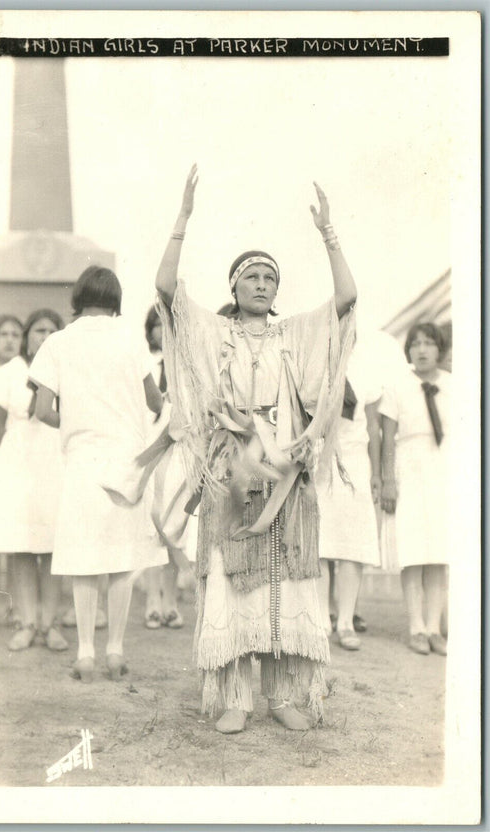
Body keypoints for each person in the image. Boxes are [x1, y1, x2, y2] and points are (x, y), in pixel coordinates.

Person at [154, 165, 357, 733]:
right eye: (252, 277)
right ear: (234, 288)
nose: (263, 284)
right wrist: (183, 219)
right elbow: (167, 291)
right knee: (232, 572)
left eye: (270, 277)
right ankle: (238, 695)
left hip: (286, 467)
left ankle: (285, 694)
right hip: (231, 473)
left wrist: (329, 234)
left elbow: (346, 299)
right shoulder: (216, 335)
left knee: (287, 574)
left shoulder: (294, 334)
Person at [30, 266, 166, 683]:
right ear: (116, 301)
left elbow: (41, 410)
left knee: (84, 558)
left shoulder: (57, 342)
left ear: (79, 298)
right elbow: (156, 401)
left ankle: (85, 653)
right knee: (122, 560)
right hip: (127, 459)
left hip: (83, 461)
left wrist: (75, 425)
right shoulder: (129, 341)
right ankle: (116, 651)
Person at [0, 309, 68, 651]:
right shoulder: (11, 372)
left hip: (55, 460)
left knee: (51, 546)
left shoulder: (67, 372)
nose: (45, 336)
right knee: (22, 545)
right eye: (38, 330)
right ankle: (26, 621)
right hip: (18, 462)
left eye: (52, 330)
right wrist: (15, 455)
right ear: (26, 335)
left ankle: (49, 624)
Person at [380, 322, 450, 656]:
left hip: (443, 469)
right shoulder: (397, 386)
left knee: (439, 553)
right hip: (409, 469)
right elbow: (387, 438)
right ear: (408, 351)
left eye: (429, 344)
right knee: (414, 552)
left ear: (440, 349)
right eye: (416, 344)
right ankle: (416, 628)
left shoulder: (455, 385)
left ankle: (435, 628)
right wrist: (388, 480)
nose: (422, 350)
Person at [316, 344, 382, 650]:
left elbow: (374, 428)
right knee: (321, 545)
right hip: (320, 461)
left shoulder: (366, 370)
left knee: (351, 547)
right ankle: (321, 621)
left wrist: (377, 474)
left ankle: (345, 622)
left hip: (355, 462)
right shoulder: (314, 366)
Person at [140, 306, 186, 630]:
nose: (163, 331)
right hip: (147, 452)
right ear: (150, 332)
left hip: (179, 456)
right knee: (148, 529)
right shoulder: (143, 368)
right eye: (157, 325)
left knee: (172, 527)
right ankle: (151, 600)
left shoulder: (188, 371)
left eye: (169, 325)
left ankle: (170, 599)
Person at [0, 314, 24, 625]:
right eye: (3, 334)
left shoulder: (23, 371)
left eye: (15, 334)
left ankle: (7, 605)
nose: (10, 340)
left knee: (9, 536)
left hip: (11, 459)